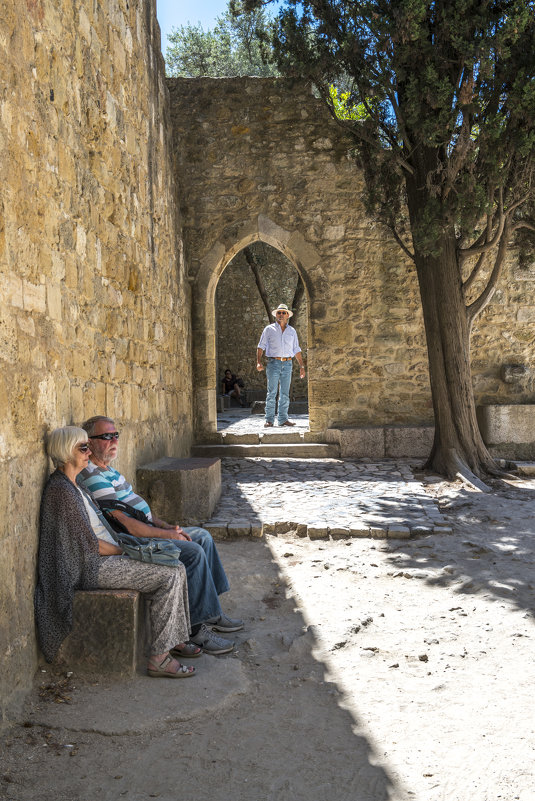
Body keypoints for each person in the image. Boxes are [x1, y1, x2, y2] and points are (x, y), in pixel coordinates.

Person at [34, 426, 196, 678]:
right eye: (83, 448)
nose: (89, 453)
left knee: (176, 565)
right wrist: (126, 551)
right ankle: (159, 659)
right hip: (90, 566)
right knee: (168, 574)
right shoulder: (61, 491)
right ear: (66, 452)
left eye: (88, 446)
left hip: (103, 556)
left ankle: (173, 638)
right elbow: (89, 544)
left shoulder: (74, 485)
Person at [77, 415, 243, 656]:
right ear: (89, 443)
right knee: (193, 552)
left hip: (149, 529)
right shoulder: (92, 476)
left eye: (115, 435)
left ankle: (212, 612)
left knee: (202, 537)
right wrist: (167, 536)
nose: (114, 440)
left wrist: (170, 528)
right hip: (135, 539)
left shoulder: (111, 472)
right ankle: (196, 628)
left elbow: (140, 510)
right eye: (106, 436)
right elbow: (127, 524)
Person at [256, 303, 306, 428]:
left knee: (285, 393)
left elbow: (296, 349)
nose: (281, 315)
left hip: (288, 364)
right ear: (276, 315)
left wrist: (301, 367)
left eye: (284, 313)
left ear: (288, 315)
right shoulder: (269, 329)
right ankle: (269, 420)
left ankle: (283, 419)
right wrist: (258, 362)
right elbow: (261, 346)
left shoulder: (292, 331)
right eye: (279, 313)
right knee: (272, 392)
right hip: (273, 363)